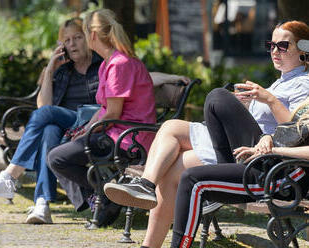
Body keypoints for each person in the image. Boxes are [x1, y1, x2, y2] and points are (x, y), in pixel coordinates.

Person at [104, 20, 309, 248]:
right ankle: (147, 212)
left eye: (283, 46)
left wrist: (268, 100)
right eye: (271, 45)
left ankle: (152, 187)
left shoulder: (304, 83)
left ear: (304, 50)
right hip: (253, 151)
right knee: (173, 163)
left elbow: (297, 131)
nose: (274, 51)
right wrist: (250, 103)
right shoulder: (283, 81)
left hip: (267, 163)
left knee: (217, 97)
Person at [0, 17, 103, 224]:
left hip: (93, 123)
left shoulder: (103, 65)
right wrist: (50, 70)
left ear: (89, 38)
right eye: (67, 40)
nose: (72, 44)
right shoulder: (63, 71)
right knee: (49, 130)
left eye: (77, 37)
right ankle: (42, 205)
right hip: (67, 127)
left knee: (47, 118)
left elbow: (44, 112)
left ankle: (11, 176)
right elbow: (43, 106)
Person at [47, 8, 156, 220]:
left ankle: (105, 195)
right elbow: (105, 110)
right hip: (117, 134)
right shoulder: (107, 64)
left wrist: (88, 132)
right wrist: (83, 130)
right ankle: (104, 199)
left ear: (93, 35)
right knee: (59, 152)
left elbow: (113, 112)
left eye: (84, 34)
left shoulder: (119, 64)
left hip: (129, 140)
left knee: (57, 157)